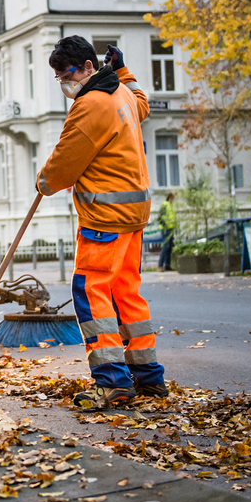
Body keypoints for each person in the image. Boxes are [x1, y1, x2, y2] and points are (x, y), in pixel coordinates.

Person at [36, 36, 167, 410]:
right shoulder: (120, 92)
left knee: (90, 291)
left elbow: (63, 167)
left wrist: (43, 182)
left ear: (89, 67)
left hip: (105, 218)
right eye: (59, 77)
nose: (65, 82)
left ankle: (112, 382)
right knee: (126, 292)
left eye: (68, 74)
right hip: (134, 215)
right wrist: (124, 70)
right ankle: (148, 378)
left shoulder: (89, 105)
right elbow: (142, 103)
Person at [156, 192, 177, 271]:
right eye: (173, 196)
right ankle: (160, 265)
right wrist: (165, 225)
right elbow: (160, 217)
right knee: (166, 246)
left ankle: (167, 266)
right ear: (170, 197)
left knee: (169, 247)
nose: (174, 198)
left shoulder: (171, 205)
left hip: (170, 228)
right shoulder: (165, 205)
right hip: (166, 229)